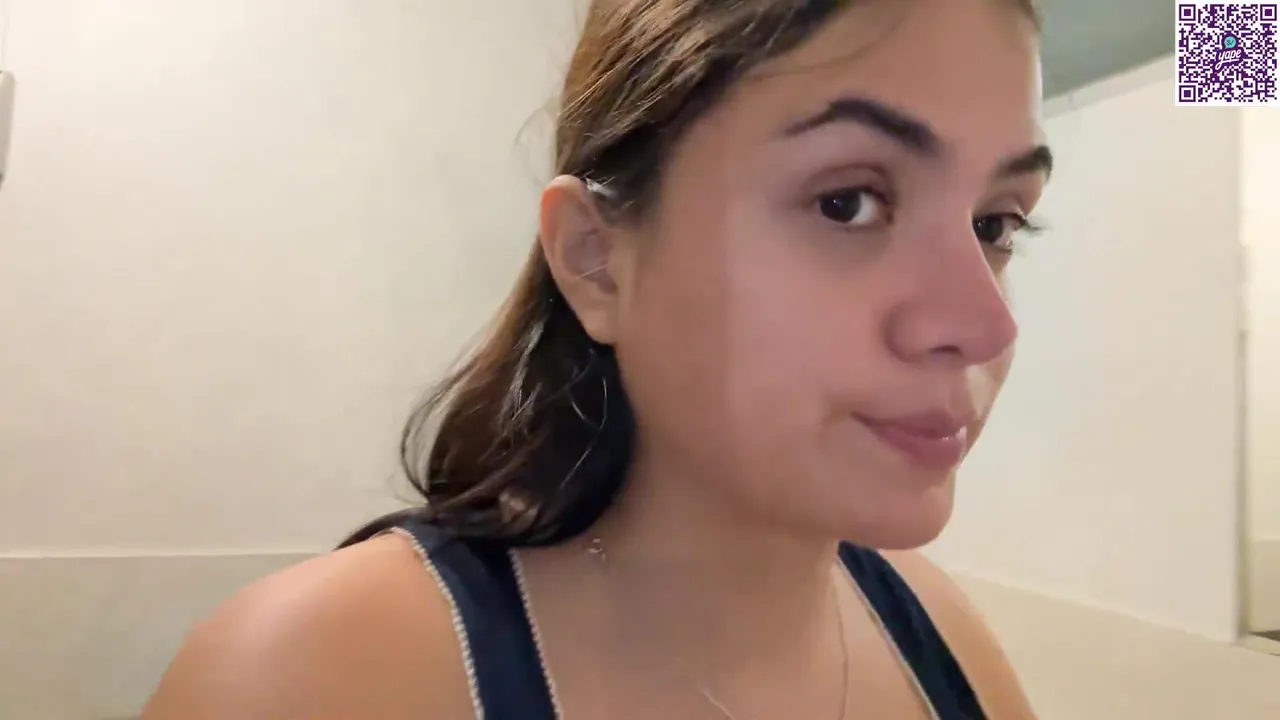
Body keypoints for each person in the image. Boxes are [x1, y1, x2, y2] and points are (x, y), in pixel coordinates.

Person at [143, 0, 1051, 717]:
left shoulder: (942, 641)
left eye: (995, 224)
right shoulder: (311, 677)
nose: (984, 325)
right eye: (847, 203)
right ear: (595, 259)